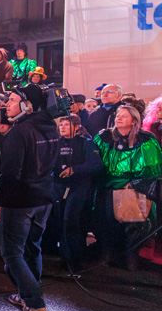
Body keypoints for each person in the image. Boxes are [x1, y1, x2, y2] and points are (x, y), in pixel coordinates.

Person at [0, 84, 60, 311]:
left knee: (12, 254)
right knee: (32, 248)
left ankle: (33, 299)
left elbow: (10, 174)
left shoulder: (18, 133)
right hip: (44, 199)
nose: (5, 105)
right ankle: (28, 293)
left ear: (27, 105)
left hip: (19, 202)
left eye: (11, 100)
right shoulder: (51, 128)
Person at [93, 105, 162, 269]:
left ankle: (131, 259)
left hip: (135, 189)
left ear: (133, 120)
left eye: (124, 116)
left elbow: (153, 166)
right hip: (109, 187)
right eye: (118, 115)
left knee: (134, 225)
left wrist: (133, 182)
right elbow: (96, 162)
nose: (119, 118)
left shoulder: (146, 139)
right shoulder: (105, 137)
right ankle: (109, 256)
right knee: (108, 223)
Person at [47, 115, 102, 269]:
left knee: (71, 220)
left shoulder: (87, 143)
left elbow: (96, 164)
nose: (62, 127)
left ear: (77, 127)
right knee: (59, 221)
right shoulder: (56, 143)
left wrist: (74, 170)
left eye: (66, 124)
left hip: (78, 186)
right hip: (58, 186)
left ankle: (76, 258)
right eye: (61, 124)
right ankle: (64, 256)